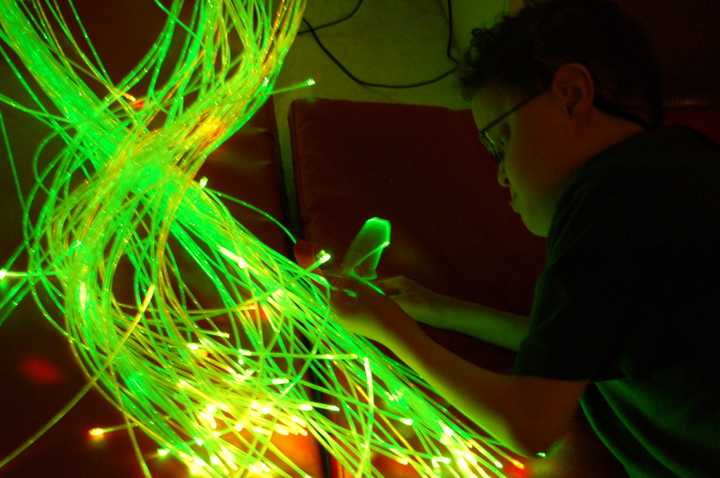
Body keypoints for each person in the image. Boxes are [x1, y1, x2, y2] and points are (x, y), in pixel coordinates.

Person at [303, 1, 720, 476]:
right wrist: (442, 311)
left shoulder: (608, 194)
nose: (500, 176)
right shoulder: (676, 173)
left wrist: (386, 328)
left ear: (571, 95)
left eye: (500, 141)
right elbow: (576, 350)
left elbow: (528, 425)